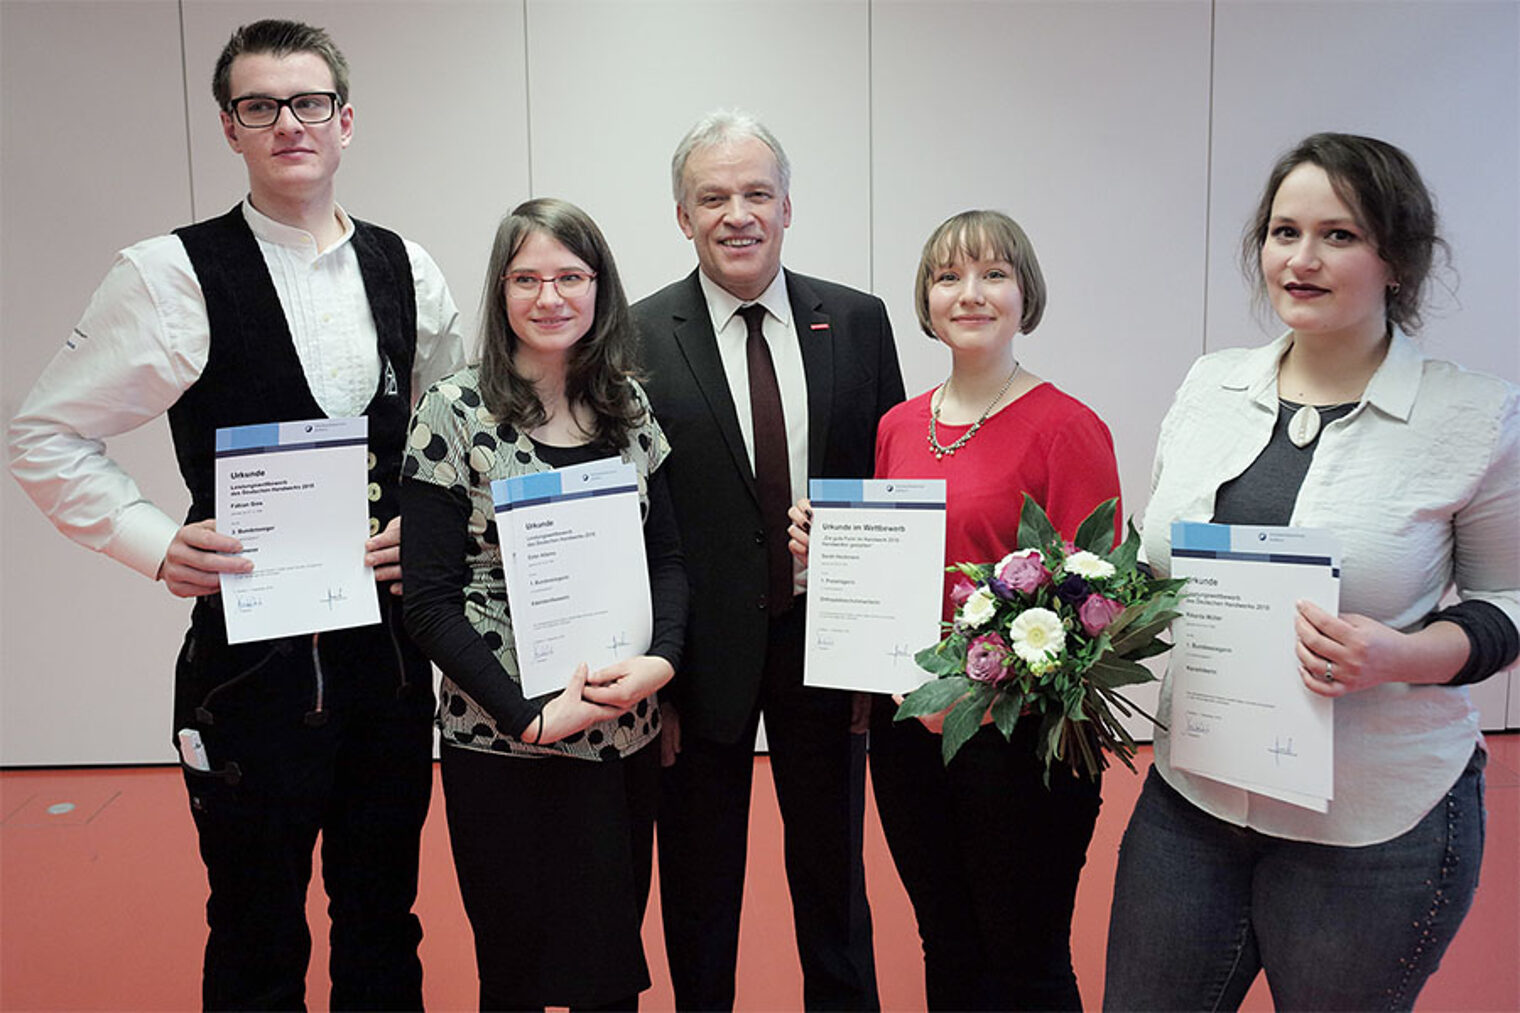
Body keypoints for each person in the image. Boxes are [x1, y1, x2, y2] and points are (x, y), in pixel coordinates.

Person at [6, 19, 465, 1010]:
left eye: (307, 104)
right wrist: (153, 541)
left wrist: (428, 528)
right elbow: (42, 432)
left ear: (345, 123)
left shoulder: (406, 270)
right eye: (261, 106)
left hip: (388, 662)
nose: (287, 124)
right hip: (251, 666)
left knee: (385, 916)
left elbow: (449, 436)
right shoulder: (168, 274)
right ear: (230, 127)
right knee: (256, 928)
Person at [1103, 133, 1519, 1011]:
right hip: (1194, 801)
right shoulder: (1210, 386)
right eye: (1283, 231)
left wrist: (1397, 655)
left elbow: (1508, 602)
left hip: (1375, 823)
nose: (1301, 258)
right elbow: (1152, 556)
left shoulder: (1471, 414)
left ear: (1396, 258)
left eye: (1339, 235)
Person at [789, 210, 1122, 1010]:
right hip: (913, 734)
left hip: (1020, 742)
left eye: (992, 274)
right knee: (947, 943)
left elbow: (1098, 602)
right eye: (948, 277)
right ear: (927, 300)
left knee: (1027, 958)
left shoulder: (1067, 427)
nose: (969, 293)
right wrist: (826, 552)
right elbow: (896, 570)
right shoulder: (898, 427)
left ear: (1024, 293)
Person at [631, 110, 902, 1011]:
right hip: (697, 657)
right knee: (700, 888)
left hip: (826, 649)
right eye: (713, 196)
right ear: (683, 215)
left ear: (789, 207)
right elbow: (634, 522)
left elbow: (888, 486)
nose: (736, 213)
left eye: (756, 193)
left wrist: (880, 651)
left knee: (833, 876)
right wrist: (655, 679)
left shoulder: (858, 323)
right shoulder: (633, 337)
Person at [401, 197, 685, 1011]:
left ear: (600, 288)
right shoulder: (452, 412)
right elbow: (427, 600)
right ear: (500, 292)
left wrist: (660, 663)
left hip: (618, 729)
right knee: (515, 971)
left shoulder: (628, 407)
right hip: (501, 739)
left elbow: (666, 557)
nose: (550, 296)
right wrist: (526, 716)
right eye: (527, 277)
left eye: (570, 275)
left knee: (608, 973)